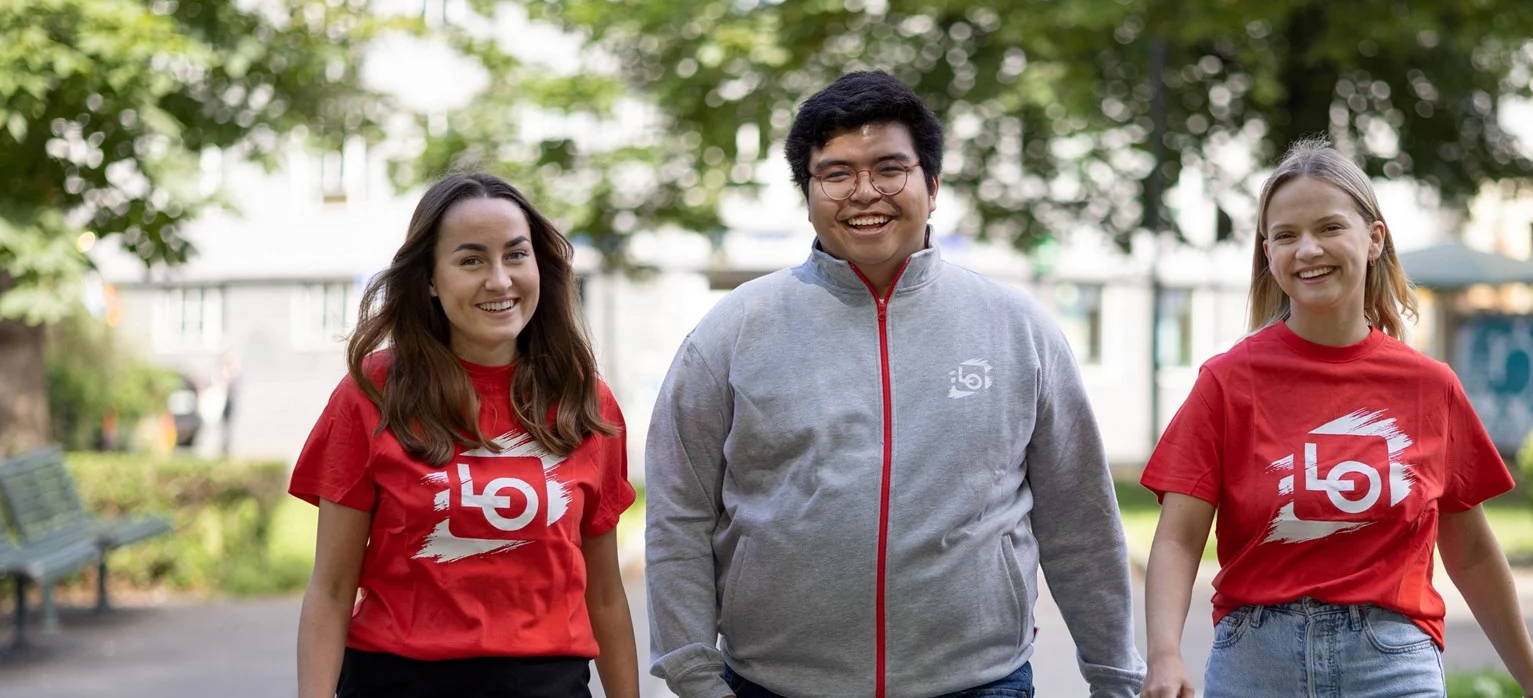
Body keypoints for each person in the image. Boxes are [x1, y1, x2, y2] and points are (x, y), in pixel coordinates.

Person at [644, 70, 1143, 698]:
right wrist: (695, 677)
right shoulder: (734, 331)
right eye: (836, 173)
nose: (864, 193)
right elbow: (679, 514)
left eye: (889, 169)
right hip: (774, 684)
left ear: (932, 186)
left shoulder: (1018, 330)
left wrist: (1114, 676)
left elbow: (1080, 519)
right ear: (808, 192)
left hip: (980, 682)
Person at [1139, 139, 1533, 698]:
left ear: (1374, 237)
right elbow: (1179, 538)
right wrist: (1164, 655)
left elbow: (1473, 553)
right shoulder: (1227, 381)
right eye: (1286, 235)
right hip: (1256, 665)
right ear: (1268, 252)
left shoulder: (1430, 387)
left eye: (1329, 227)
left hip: (1392, 664)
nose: (1307, 249)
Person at [290, 173, 641, 698]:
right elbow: (332, 589)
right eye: (471, 260)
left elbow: (606, 596)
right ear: (430, 279)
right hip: (396, 682)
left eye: (515, 255)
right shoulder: (374, 392)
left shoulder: (583, 401)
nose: (500, 280)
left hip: (547, 684)